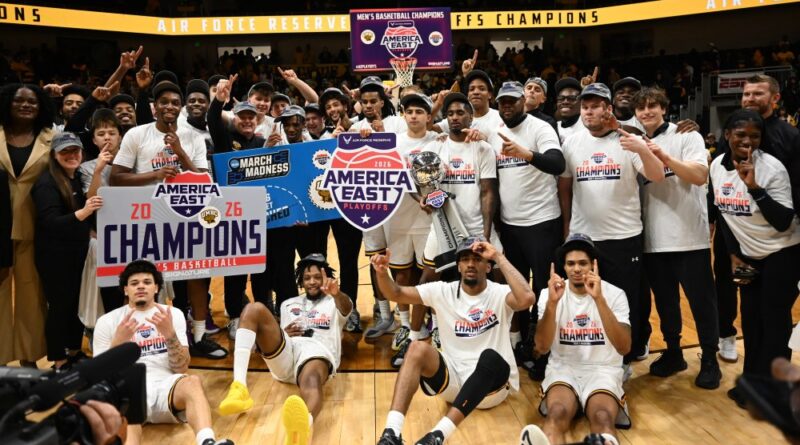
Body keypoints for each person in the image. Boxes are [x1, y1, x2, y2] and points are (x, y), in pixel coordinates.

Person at [372, 237, 535, 445]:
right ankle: (391, 433)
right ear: (458, 266)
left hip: (490, 390)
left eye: (477, 259)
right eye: (465, 259)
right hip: (453, 383)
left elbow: (527, 298)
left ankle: (437, 436)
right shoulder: (443, 291)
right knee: (416, 348)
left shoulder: (499, 293)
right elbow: (396, 293)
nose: (470, 264)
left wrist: (498, 256)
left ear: (488, 266)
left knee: (490, 357)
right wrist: (381, 273)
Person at [109, 80, 227, 360]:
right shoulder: (137, 134)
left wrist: (180, 152)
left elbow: (203, 179)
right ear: (155, 107)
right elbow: (116, 178)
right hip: (147, 218)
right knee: (150, 279)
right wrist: (155, 175)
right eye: (164, 102)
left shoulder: (193, 137)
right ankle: (152, 339)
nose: (170, 107)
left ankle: (199, 337)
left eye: (175, 102)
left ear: (180, 107)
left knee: (197, 275)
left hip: (187, 214)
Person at [558, 83, 665, 375]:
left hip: (623, 237)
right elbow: (565, 187)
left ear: (609, 109)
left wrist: (640, 146)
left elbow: (657, 175)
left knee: (625, 302)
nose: (589, 112)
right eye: (585, 107)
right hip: (584, 238)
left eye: (595, 106)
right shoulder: (572, 143)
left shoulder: (628, 140)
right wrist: (568, 228)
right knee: (587, 301)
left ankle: (624, 359)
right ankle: (593, 355)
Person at [709, 109, 800, 406]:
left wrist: (755, 189)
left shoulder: (772, 168)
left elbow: (784, 221)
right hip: (748, 255)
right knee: (750, 319)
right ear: (727, 135)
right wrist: (733, 254)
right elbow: (723, 216)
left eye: (755, 136)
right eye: (740, 134)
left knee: (773, 320)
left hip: (783, 253)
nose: (747, 141)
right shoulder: (716, 167)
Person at [634, 87, 722, 388]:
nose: (647, 112)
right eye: (641, 108)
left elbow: (699, 176)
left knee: (702, 303)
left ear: (664, 107)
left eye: (652, 106)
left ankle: (710, 358)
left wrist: (665, 157)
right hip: (653, 238)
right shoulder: (634, 141)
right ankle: (673, 353)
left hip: (689, 236)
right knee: (666, 303)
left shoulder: (687, 135)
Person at [93, 260, 233, 445]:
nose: (141, 286)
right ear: (125, 289)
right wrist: (118, 343)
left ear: (156, 287)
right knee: (124, 411)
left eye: (147, 282)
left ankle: (207, 441)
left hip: (165, 387)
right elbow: (99, 377)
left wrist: (170, 335)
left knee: (192, 382)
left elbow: (181, 368)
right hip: (129, 391)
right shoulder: (107, 321)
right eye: (134, 283)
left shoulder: (172, 314)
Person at [218, 254, 352, 444]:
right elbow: (268, 342)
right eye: (307, 278)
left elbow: (347, 307)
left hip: (317, 352)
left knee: (311, 380)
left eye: (317, 277)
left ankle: (303, 427)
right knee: (253, 308)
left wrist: (336, 293)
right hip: (287, 352)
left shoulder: (334, 302)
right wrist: (283, 333)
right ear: (301, 281)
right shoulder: (288, 304)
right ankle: (239, 388)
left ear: (326, 278)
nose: (312, 282)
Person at [491, 80, 565, 373]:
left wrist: (528, 154)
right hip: (511, 225)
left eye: (512, 100)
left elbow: (557, 164)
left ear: (523, 101)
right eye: (503, 102)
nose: (507, 106)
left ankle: (544, 348)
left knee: (543, 289)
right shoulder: (495, 130)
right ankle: (521, 342)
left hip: (542, 222)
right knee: (518, 287)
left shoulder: (540, 128)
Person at [532, 233, 631, 445]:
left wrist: (599, 300)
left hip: (603, 369)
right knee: (556, 413)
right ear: (564, 267)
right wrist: (552, 305)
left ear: (594, 265)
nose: (576, 269)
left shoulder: (615, 294)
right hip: (564, 368)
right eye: (571, 264)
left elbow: (624, 347)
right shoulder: (548, 295)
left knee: (602, 418)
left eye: (583, 263)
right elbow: (541, 346)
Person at [370, 93, 437, 346]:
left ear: (429, 117)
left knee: (429, 276)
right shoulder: (392, 143)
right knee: (401, 274)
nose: (414, 116)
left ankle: (432, 324)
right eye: (409, 112)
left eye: (419, 112)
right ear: (403, 116)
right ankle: (406, 325)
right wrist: (365, 136)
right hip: (396, 218)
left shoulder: (438, 141)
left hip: (428, 219)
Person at [31, 131, 101, 369]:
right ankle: (59, 360)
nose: (71, 155)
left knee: (75, 304)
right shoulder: (46, 183)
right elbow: (50, 222)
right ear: (54, 154)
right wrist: (83, 213)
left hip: (77, 252)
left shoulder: (75, 177)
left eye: (75, 150)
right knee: (60, 307)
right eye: (65, 151)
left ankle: (74, 350)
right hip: (55, 256)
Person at [0, 83, 55, 366]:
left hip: (34, 225)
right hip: (0, 224)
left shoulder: (51, 137)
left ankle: (29, 357)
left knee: (31, 296)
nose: (25, 105)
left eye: (32, 101)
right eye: (19, 100)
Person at [553, 77, 584, 144]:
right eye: (561, 98)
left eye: (571, 98)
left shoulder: (589, 126)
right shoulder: (552, 128)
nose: (565, 102)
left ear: (581, 102)